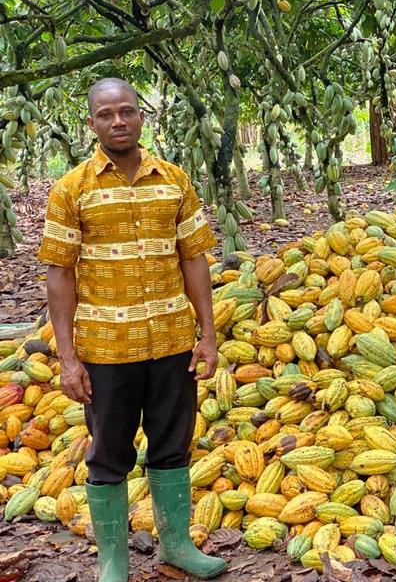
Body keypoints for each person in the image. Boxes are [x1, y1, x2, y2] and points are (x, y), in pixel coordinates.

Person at [38, 78, 226, 581]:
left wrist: (207, 335)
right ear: (92, 123)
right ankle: (114, 561)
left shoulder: (175, 180)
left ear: (142, 117)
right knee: (108, 454)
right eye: (106, 114)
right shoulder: (72, 188)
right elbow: (59, 273)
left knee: (172, 444)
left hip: (170, 342)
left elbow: (194, 259)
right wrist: (68, 357)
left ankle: (177, 545)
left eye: (126, 111)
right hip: (105, 346)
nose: (117, 121)